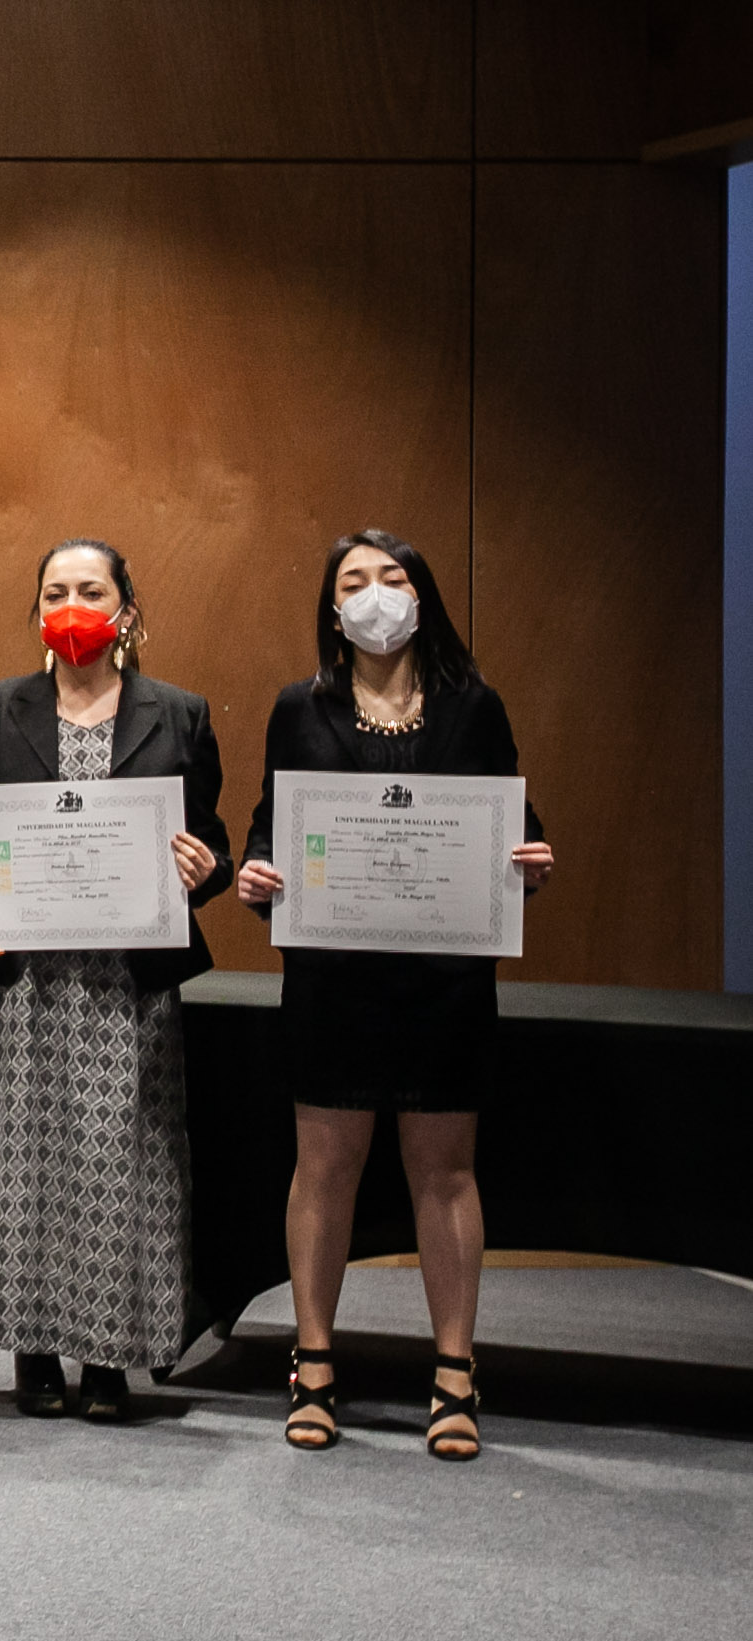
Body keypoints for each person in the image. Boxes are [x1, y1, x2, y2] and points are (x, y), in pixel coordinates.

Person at [235, 530, 552, 1461]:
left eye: (391, 578)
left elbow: (516, 825)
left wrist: (528, 863)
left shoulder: (473, 706)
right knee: (324, 1168)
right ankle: (314, 1362)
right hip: (331, 980)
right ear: (332, 609)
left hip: (443, 981)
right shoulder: (300, 706)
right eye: (352, 582)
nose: (374, 595)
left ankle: (454, 1369)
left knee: (443, 1172)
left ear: (421, 596)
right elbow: (269, 827)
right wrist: (258, 871)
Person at [0, 538, 231, 1424]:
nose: (71, 604)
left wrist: (203, 868)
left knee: (119, 1167)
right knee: (21, 1165)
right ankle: (33, 1349)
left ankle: (108, 1356)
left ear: (125, 609)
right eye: (54, 591)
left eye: (90, 590)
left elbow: (205, 846)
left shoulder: (178, 713)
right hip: (16, 987)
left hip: (125, 987)